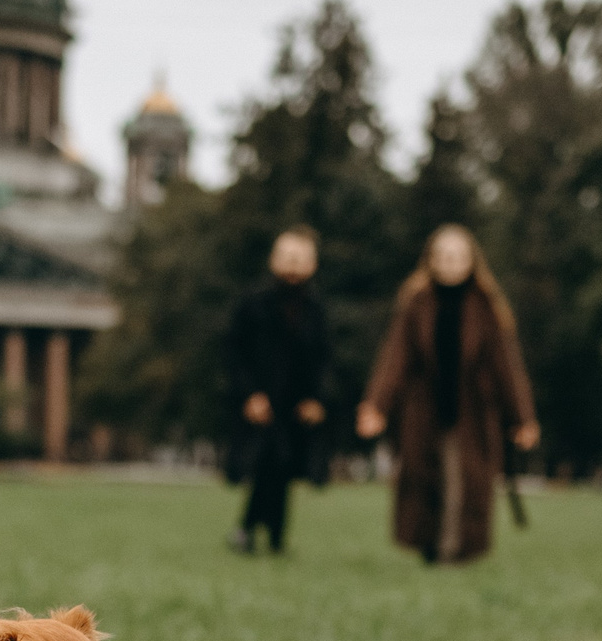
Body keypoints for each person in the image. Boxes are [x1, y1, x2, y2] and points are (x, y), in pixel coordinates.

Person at [355, 224, 540, 565]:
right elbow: (395, 357)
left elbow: (505, 367)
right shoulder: (416, 304)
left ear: (471, 261)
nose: (449, 263)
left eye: (456, 256)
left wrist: (522, 418)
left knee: (463, 480)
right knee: (425, 479)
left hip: (471, 412)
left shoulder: (486, 308)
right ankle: (431, 545)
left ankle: (453, 550)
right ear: (431, 260)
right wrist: (377, 405)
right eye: (442, 256)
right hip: (424, 411)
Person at [222, 226, 333, 553]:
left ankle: (271, 534)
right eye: (287, 257)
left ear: (312, 264)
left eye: (300, 258)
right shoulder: (253, 305)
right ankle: (253, 530)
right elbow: (234, 353)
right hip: (261, 401)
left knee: (283, 468)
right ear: (274, 260)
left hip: (294, 406)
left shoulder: (316, 310)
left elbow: (323, 359)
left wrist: (316, 398)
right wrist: (249, 394)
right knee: (266, 464)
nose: (293, 265)